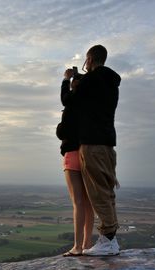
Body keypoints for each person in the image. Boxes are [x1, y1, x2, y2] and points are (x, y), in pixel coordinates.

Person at [62, 44, 121, 256]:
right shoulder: (111, 82)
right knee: (107, 192)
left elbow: (68, 101)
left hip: (92, 144)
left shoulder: (91, 81)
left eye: (87, 61)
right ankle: (110, 239)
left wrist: (69, 80)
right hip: (107, 144)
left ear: (90, 59)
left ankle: (107, 241)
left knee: (97, 194)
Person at [56, 73, 94, 257]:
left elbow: (62, 130)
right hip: (88, 154)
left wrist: (66, 81)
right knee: (88, 204)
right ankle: (87, 244)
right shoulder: (90, 106)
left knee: (77, 202)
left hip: (71, 153)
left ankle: (77, 247)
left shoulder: (71, 104)